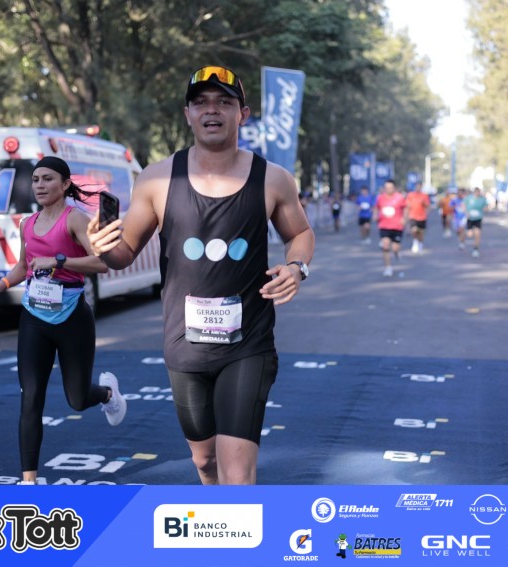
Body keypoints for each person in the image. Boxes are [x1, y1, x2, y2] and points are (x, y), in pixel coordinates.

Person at [87, 65, 314, 485]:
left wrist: (297, 267)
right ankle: (215, 512)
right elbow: (123, 253)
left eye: (224, 102)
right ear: (187, 113)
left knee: (237, 471)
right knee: (205, 461)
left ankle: (230, 528)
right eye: (201, 102)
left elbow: (299, 233)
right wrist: (102, 246)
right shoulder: (157, 178)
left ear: (242, 114)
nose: (212, 110)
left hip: (249, 345)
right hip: (185, 347)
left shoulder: (273, 179)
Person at [0, 156, 127, 485]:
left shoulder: (76, 219)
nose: (40, 185)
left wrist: (59, 261)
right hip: (34, 317)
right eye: (35, 180)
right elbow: (24, 266)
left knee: (77, 399)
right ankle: (28, 482)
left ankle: (107, 395)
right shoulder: (27, 224)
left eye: (47, 179)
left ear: (64, 184)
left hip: (73, 316)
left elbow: (101, 264)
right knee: (30, 398)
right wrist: (0, 286)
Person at [374, 179, 406, 277]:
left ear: (394, 188)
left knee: (395, 248)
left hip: (397, 226)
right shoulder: (380, 198)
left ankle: (396, 253)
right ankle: (388, 267)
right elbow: (376, 207)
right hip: (384, 226)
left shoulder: (399, 198)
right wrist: (375, 215)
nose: (388, 189)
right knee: (385, 246)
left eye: (390, 187)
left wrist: (404, 219)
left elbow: (405, 208)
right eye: (386, 187)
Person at [405, 182, 431, 254]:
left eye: (419, 187)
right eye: (417, 187)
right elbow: (407, 206)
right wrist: (406, 216)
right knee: (414, 230)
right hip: (413, 216)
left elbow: (428, 206)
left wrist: (427, 213)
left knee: (421, 232)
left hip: (422, 217)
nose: (418, 188)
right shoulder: (410, 195)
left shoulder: (424, 196)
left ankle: (420, 244)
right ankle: (415, 242)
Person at [463, 186, 488, 257]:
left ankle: (476, 249)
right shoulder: (469, 198)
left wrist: (485, 209)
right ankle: (465, 234)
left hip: (478, 219)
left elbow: (486, 207)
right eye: (476, 192)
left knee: (477, 234)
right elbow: (463, 205)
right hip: (470, 218)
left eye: (478, 192)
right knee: (470, 234)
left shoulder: (482, 199)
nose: (477, 193)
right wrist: (466, 213)